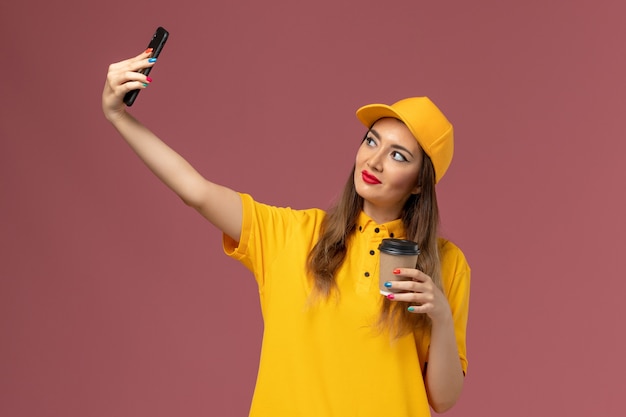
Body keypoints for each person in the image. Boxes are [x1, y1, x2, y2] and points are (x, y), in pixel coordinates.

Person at [102, 49, 470, 417]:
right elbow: (195, 191)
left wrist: (440, 315)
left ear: (421, 184)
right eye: (371, 141)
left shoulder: (446, 264)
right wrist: (118, 116)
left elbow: (443, 398)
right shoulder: (294, 234)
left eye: (398, 155)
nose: (374, 160)